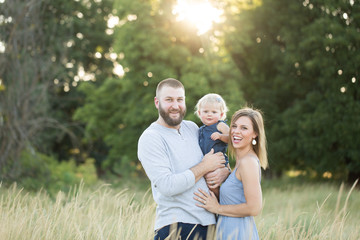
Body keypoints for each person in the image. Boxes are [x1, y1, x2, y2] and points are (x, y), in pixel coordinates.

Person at [137, 78, 231, 240]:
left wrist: (225, 172)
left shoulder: (193, 128)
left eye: (180, 100)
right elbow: (167, 186)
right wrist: (204, 166)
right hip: (176, 227)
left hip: (209, 224)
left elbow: (215, 157)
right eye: (169, 100)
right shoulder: (151, 137)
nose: (175, 105)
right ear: (157, 102)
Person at [194, 107, 269, 240]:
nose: (236, 132)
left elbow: (254, 208)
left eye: (244, 128)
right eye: (234, 126)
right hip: (228, 232)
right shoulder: (240, 161)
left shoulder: (248, 162)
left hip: (240, 233)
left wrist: (217, 208)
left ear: (255, 134)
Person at [195, 93, 230, 167]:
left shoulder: (220, 125)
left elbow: (231, 138)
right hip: (205, 163)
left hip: (219, 163)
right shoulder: (201, 129)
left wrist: (221, 136)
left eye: (214, 112)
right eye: (206, 111)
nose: (209, 114)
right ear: (199, 113)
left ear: (221, 115)